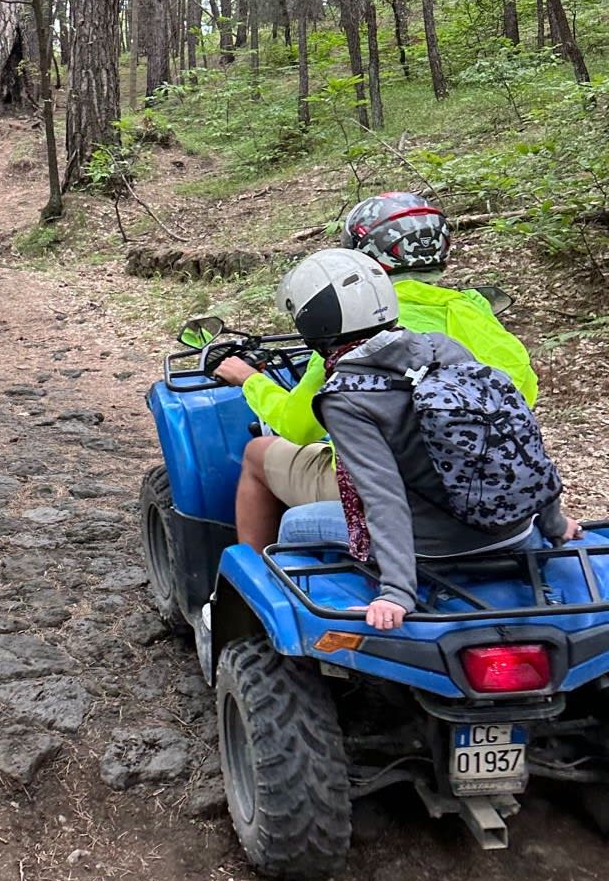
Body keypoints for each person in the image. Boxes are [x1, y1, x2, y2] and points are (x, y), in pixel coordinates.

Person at [215, 192, 539, 550]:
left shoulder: (356, 324)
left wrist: (251, 380)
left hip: (397, 499)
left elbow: (299, 427)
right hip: (485, 486)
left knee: (258, 453)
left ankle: (249, 579)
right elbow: (522, 394)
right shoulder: (472, 313)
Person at [274, 248, 577, 629]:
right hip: (517, 532)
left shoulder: (345, 396)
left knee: (293, 525)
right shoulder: (442, 347)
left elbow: (382, 495)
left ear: (311, 321)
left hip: (437, 552)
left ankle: (286, 641)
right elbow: (515, 441)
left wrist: (397, 592)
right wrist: (553, 522)